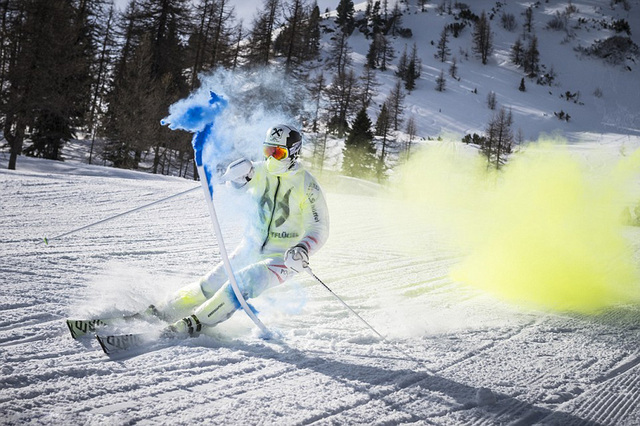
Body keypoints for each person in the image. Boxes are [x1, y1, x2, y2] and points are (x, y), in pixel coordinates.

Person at [149, 124, 330, 336]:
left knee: (244, 281)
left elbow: (319, 227)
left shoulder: (307, 185)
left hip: (284, 258)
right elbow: (235, 192)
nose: (272, 158)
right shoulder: (259, 171)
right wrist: (236, 179)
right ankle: (160, 312)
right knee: (210, 284)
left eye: (278, 152)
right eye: (268, 150)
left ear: (293, 153)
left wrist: (303, 248)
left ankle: (193, 323)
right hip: (250, 248)